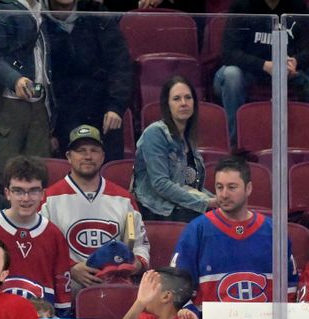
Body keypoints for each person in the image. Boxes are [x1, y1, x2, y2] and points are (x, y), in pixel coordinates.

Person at [172, 155, 298, 307]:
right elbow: (177, 289)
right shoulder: (196, 231)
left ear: (248, 188)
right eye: (219, 187)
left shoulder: (274, 232)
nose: (224, 194)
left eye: (232, 187)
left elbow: (290, 290)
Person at [41, 124, 149, 290]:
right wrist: (70, 268)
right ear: (69, 156)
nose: (88, 156)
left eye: (94, 150)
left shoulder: (123, 199)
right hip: (66, 287)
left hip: (113, 287)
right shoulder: (49, 199)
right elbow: (41, 247)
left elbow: (141, 244)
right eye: (81, 150)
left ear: (103, 156)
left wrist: (137, 264)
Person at [0, 156, 72, 316]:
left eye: (33, 191)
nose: (26, 198)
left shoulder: (54, 234)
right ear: (7, 193)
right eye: (18, 191)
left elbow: (62, 289)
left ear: (43, 194)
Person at [0, 0, 52, 194]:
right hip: (7, 105)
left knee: (39, 174)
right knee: (4, 176)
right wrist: (15, 79)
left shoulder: (43, 9)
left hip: (39, 104)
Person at [43, 0, 132, 163]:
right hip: (62, 114)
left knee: (107, 172)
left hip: (103, 110)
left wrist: (116, 106)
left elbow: (120, 64)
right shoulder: (37, 19)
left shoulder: (96, 13)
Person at [214, 0, 309, 144]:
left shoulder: (298, 7)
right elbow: (229, 53)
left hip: (286, 71)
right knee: (231, 75)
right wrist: (264, 65)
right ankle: (235, 144)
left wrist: (295, 62)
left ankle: (303, 143)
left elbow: (307, 48)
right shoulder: (241, 6)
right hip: (247, 71)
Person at [133, 76, 216, 223]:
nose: (183, 103)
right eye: (177, 99)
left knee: (228, 212)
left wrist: (217, 199)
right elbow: (161, 184)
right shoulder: (155, 133)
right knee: (213, 222)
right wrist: (206, 203)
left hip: (182, 206)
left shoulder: (188, 139)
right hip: (158, 209)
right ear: (167, 105)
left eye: (188, 98)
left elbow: (191, 185)